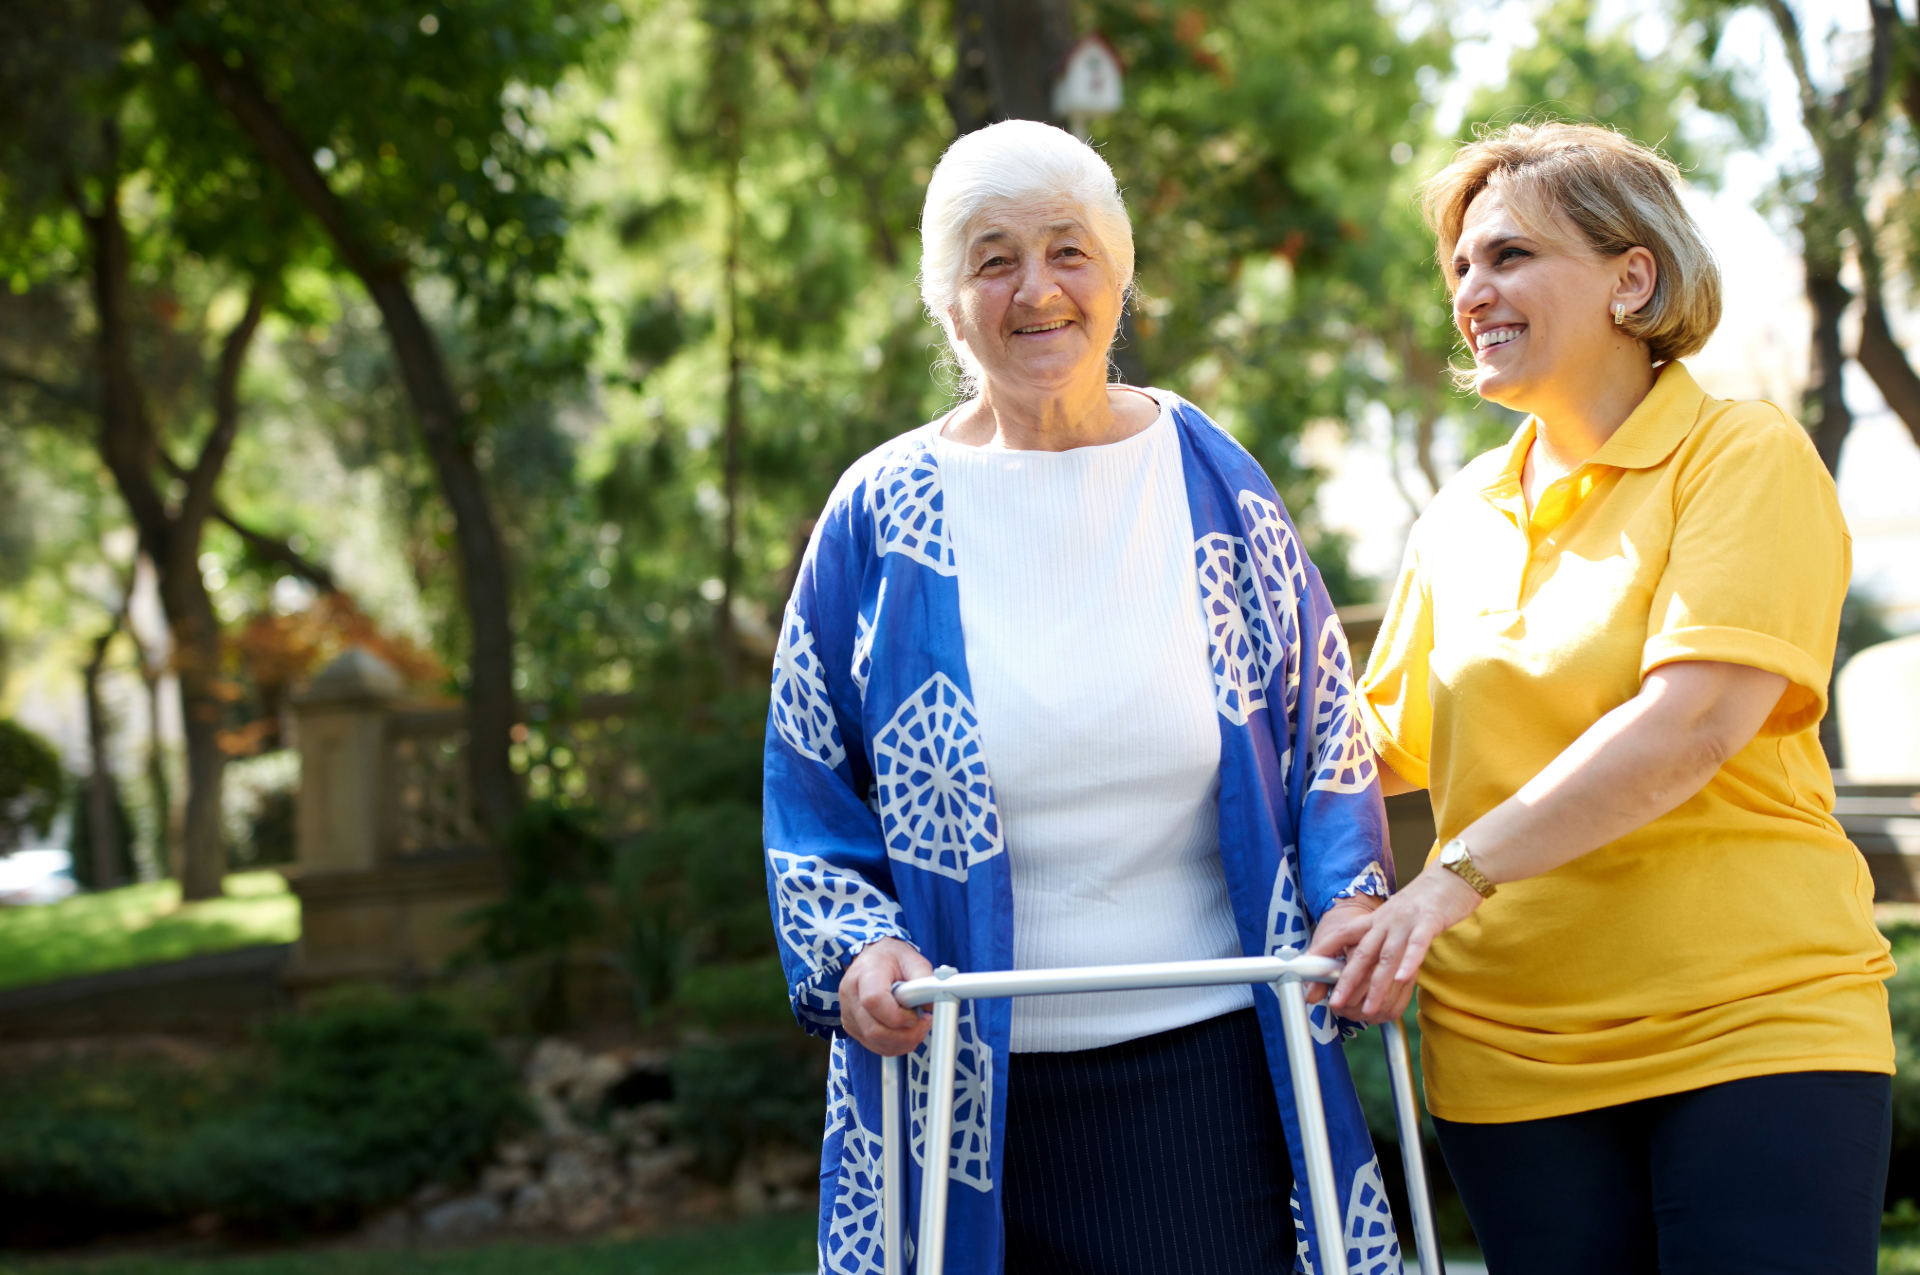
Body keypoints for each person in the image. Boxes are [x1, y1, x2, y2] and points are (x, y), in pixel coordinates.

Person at [764, 119, 1403, 1275]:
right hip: (957, 1083)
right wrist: (858, 950)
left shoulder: (1212, 477)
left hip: (1211, 1074)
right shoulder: (879, 514)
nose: (1036, 289)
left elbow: (1325, 733)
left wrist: (1349, 898)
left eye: (1069, 250)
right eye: (993, 258)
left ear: (1119, 279)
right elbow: (810, 804)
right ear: (946, 299)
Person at [1308, 120, 1896, 1274]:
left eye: (1512, 256)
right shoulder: (1459, 517)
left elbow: (1691, 725)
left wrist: (1450, 881)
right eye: (1463, 266)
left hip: (1752, 1026)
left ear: (1634, 278)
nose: (1472, 289)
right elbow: (1366, 750)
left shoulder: (1742, 457)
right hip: (1508, 1061)